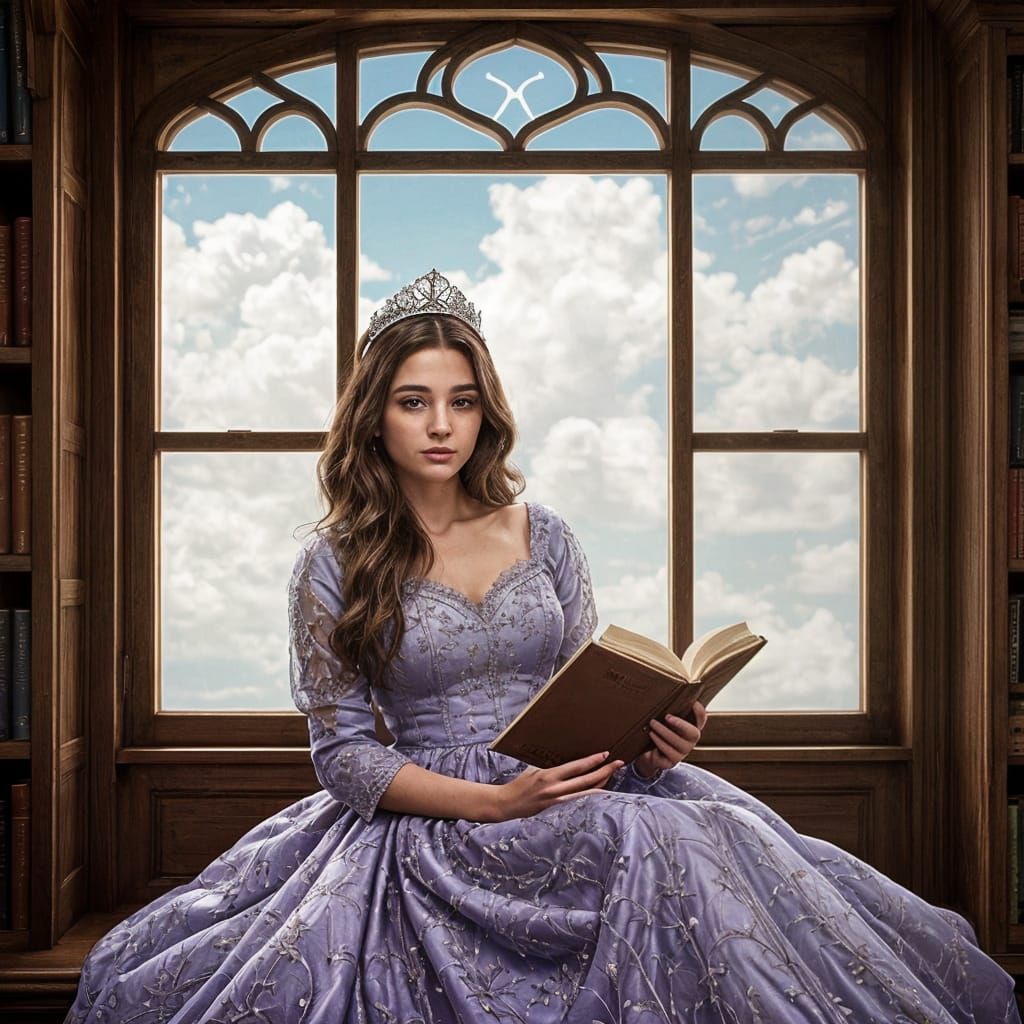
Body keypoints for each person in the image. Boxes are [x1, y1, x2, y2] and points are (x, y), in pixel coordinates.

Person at [64, 268, 1020, 1023]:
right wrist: (493, 801)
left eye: (463, 400)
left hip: (581, 778)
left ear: (488, 410)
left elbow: (593, 684)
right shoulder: (331, 565)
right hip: (441, 815)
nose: (441, 425)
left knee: (693, 833)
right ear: (373, 413)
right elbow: (344, 756)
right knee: (646, 842)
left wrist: (658, 738)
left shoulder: (548, 534)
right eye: (413, 401)